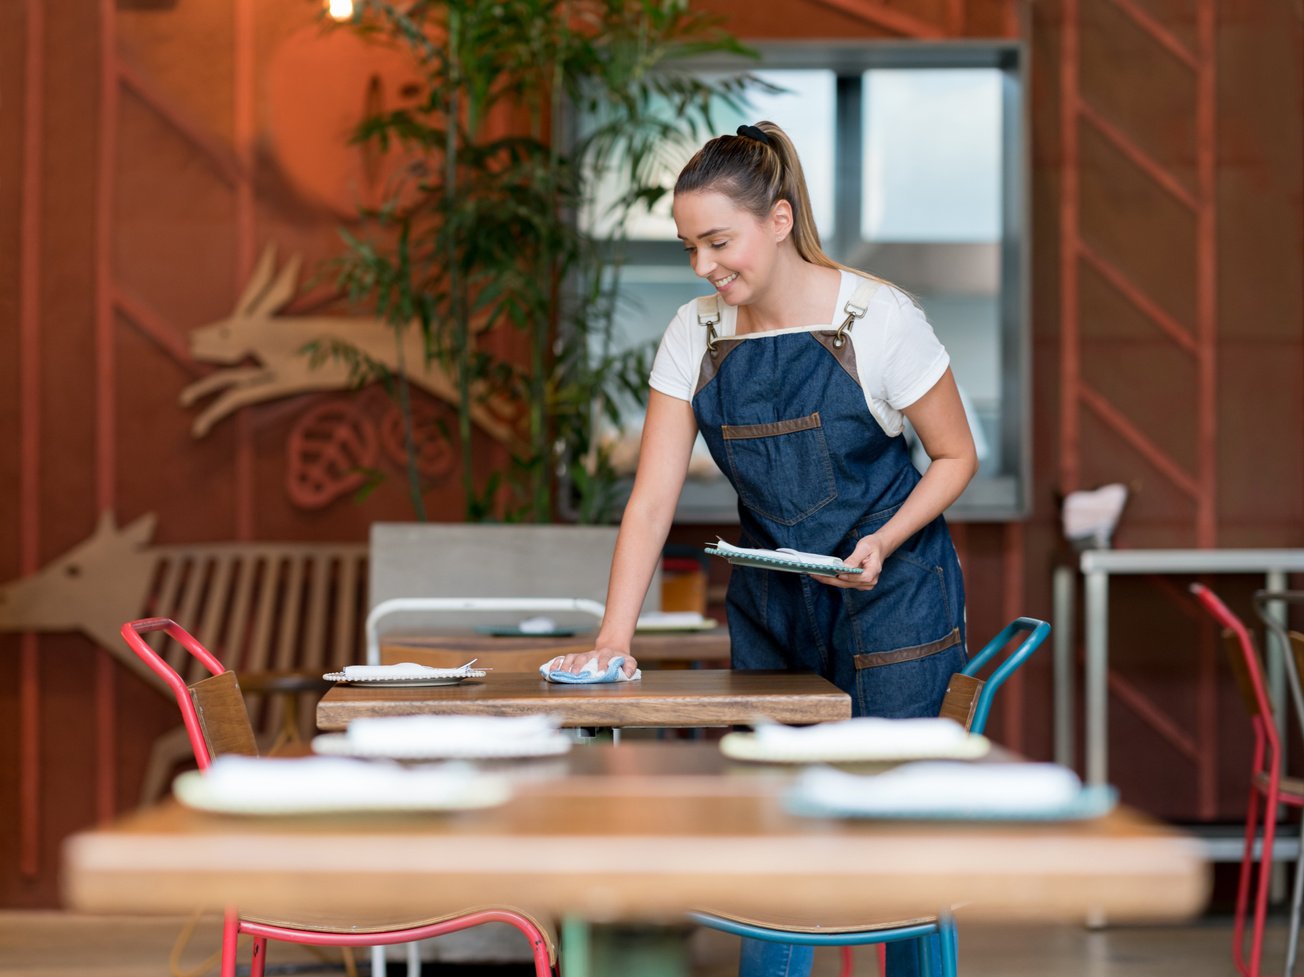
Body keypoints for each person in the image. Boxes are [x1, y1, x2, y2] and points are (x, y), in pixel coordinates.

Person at [554, 120, 977, 977]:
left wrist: (884, 539)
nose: (704, 265)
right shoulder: (695, 334)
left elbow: (957, 455)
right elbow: (651, 499)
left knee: (896, 841)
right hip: (776, 605)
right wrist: (613, 639)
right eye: (689, 246)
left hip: (894, 596)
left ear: (779, 221)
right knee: (773, 831)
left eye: (719, 241)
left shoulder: (877, 319)